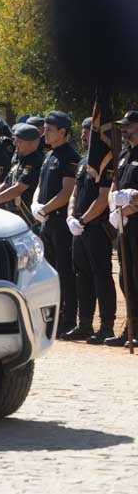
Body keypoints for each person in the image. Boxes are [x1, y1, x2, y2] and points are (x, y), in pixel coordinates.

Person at [63, 117, 117, 343]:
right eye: (84, 132)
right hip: (80, 227)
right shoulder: (85, 161)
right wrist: (70, 217)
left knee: (101, 276)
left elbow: (104, 198)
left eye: (89, 132)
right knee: (81, 276)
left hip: (96, 227)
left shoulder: (107, 160)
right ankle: (84, 323)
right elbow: (75, 192)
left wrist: (83, 221)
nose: (84, 136)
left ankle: (106, 325)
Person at [33, 111, 80, 335]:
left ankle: (68, 319)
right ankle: (51, 318)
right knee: (48, 272)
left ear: (62, 132)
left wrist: (45, 208)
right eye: (45, 128)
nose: (45, 133)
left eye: (49, 129)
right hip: (46, 222)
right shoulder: (49, 155)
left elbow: (67, 190)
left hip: (60, 222)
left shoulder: (69, 156)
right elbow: (40, 186)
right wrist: (35, 204)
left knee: (64, 272)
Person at [107, 110, 138, 347]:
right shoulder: (125, 153)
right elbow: (115, 186)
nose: (124, 130)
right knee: (125, 278)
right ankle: (132, 326)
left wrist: (129, 206)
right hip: (124, 224)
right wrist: (114, 210)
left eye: (128, 126)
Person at [0, 123, 44, 227]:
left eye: (19, 141)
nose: (15, 143)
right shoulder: (20, 160)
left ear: (32, 143)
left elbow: (18, 188)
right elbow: (6, 184)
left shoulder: (35, 161)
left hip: (28, 217)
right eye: (15, 140)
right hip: (15, 214)